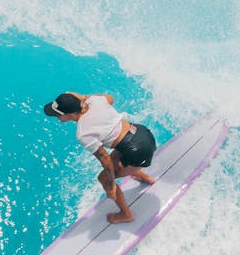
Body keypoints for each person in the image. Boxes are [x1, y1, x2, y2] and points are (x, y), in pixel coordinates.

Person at [43, 92, 157, 224]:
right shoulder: (94, 101)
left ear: (69, 115)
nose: (57, 117)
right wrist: (83, 97)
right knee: (118, 159)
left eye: (58, 115)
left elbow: (105, 160)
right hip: (141, 132)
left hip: (138, 151)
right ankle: (145, 178)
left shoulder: (83, 133)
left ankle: (126, 215)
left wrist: (112, 185)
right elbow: (110, 99)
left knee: (103, 178)